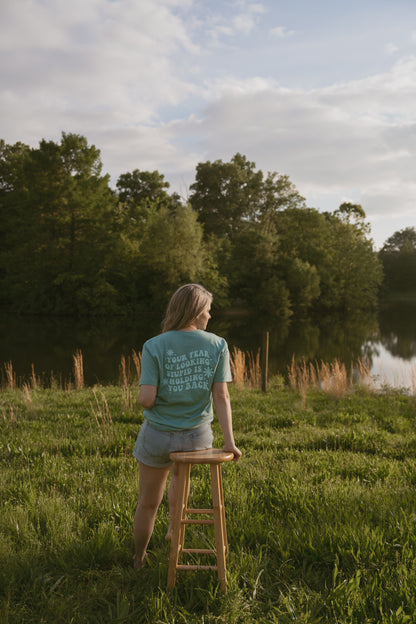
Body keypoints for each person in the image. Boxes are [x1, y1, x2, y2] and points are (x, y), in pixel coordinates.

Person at [132, 283, 242, 569]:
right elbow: (221, 396)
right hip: (196, 439)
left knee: (146, 503)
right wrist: (229, 442)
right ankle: (174, 528)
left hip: (156, 436)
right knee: (180, 478)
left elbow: (146, 399)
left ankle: (139, 558)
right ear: (195, 313)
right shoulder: (218, 344)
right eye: (207, 310)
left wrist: (146, 394)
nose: (209, 316)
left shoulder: (154, 345)